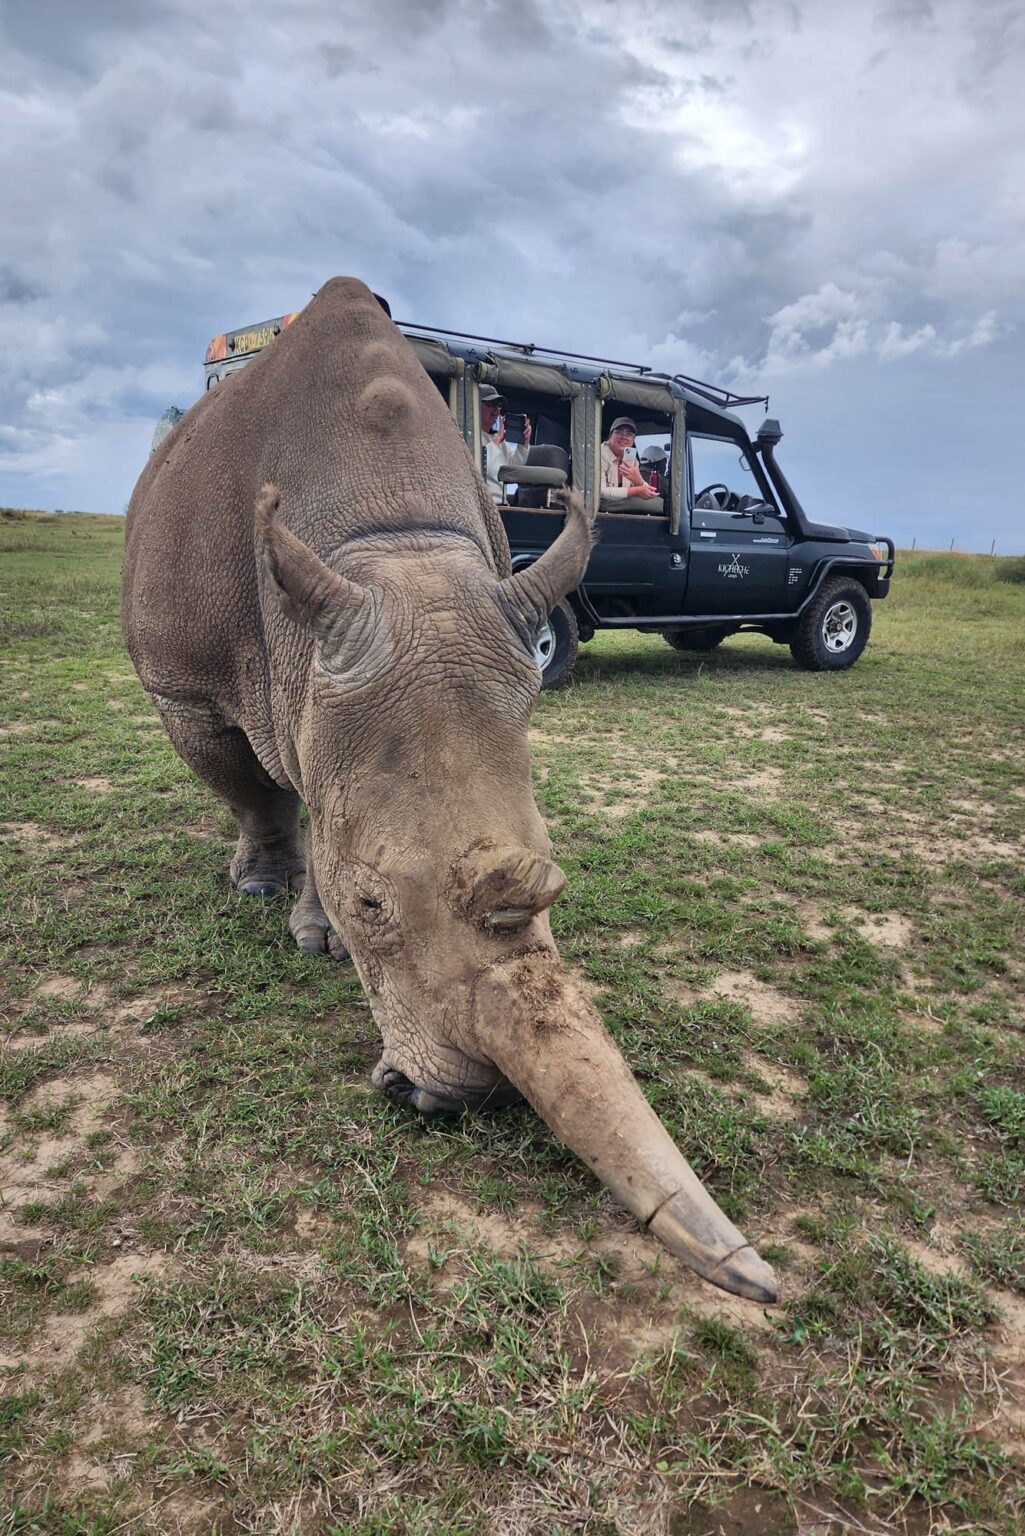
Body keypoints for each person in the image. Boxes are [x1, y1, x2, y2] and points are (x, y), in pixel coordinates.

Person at [480, 384, 532, 503]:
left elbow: (515, 468)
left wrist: (524, 442)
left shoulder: (501, 442)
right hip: (483, 507)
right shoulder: (469, 437)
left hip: (503, 507)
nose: (496, 410)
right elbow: (479, 472)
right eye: (490, 404)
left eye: (498, 405)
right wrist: (497, 440)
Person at [599, 417, 660, 503]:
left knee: (656, 502)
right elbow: (600, 492)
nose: (623, 437)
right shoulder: (600, 454)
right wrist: (636, 490)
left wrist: (638, 480)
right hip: (601, 508)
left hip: (623, 508)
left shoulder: (632, 458)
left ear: (633, 440)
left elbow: (650, 492)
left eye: (629, 434)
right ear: (610, 436)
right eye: (619, 432)